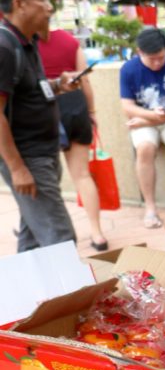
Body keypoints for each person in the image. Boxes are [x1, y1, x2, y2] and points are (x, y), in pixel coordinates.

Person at [0, 0, 79, 253]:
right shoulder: (4, 47)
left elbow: (29, 91)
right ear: (19, 4)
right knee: (60, 240)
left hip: (42, 153)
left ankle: (25, 294)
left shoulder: (26, 42)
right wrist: (17, 168)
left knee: (33, 237)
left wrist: (59, 85)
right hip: (27, 157)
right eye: (42, 0)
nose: (50, 7)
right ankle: (71, 294)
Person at [38, 26, 107, 251]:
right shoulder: (68, 40)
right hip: (74, 105)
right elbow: (84, 79)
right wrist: (92, 112)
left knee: (46, 181)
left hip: (42, 108)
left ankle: (55, 239)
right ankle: (97, 234)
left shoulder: (24, 42)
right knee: (82, 175)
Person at [119, 27, 165, 229]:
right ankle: (150, 208)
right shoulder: (128, 69)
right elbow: (127, 107)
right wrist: (151, 118)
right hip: (144, 117)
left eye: (161, 58)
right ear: (139, 52)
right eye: (151, 59)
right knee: (145, 149)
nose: (157, 63)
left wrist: (147, 121)